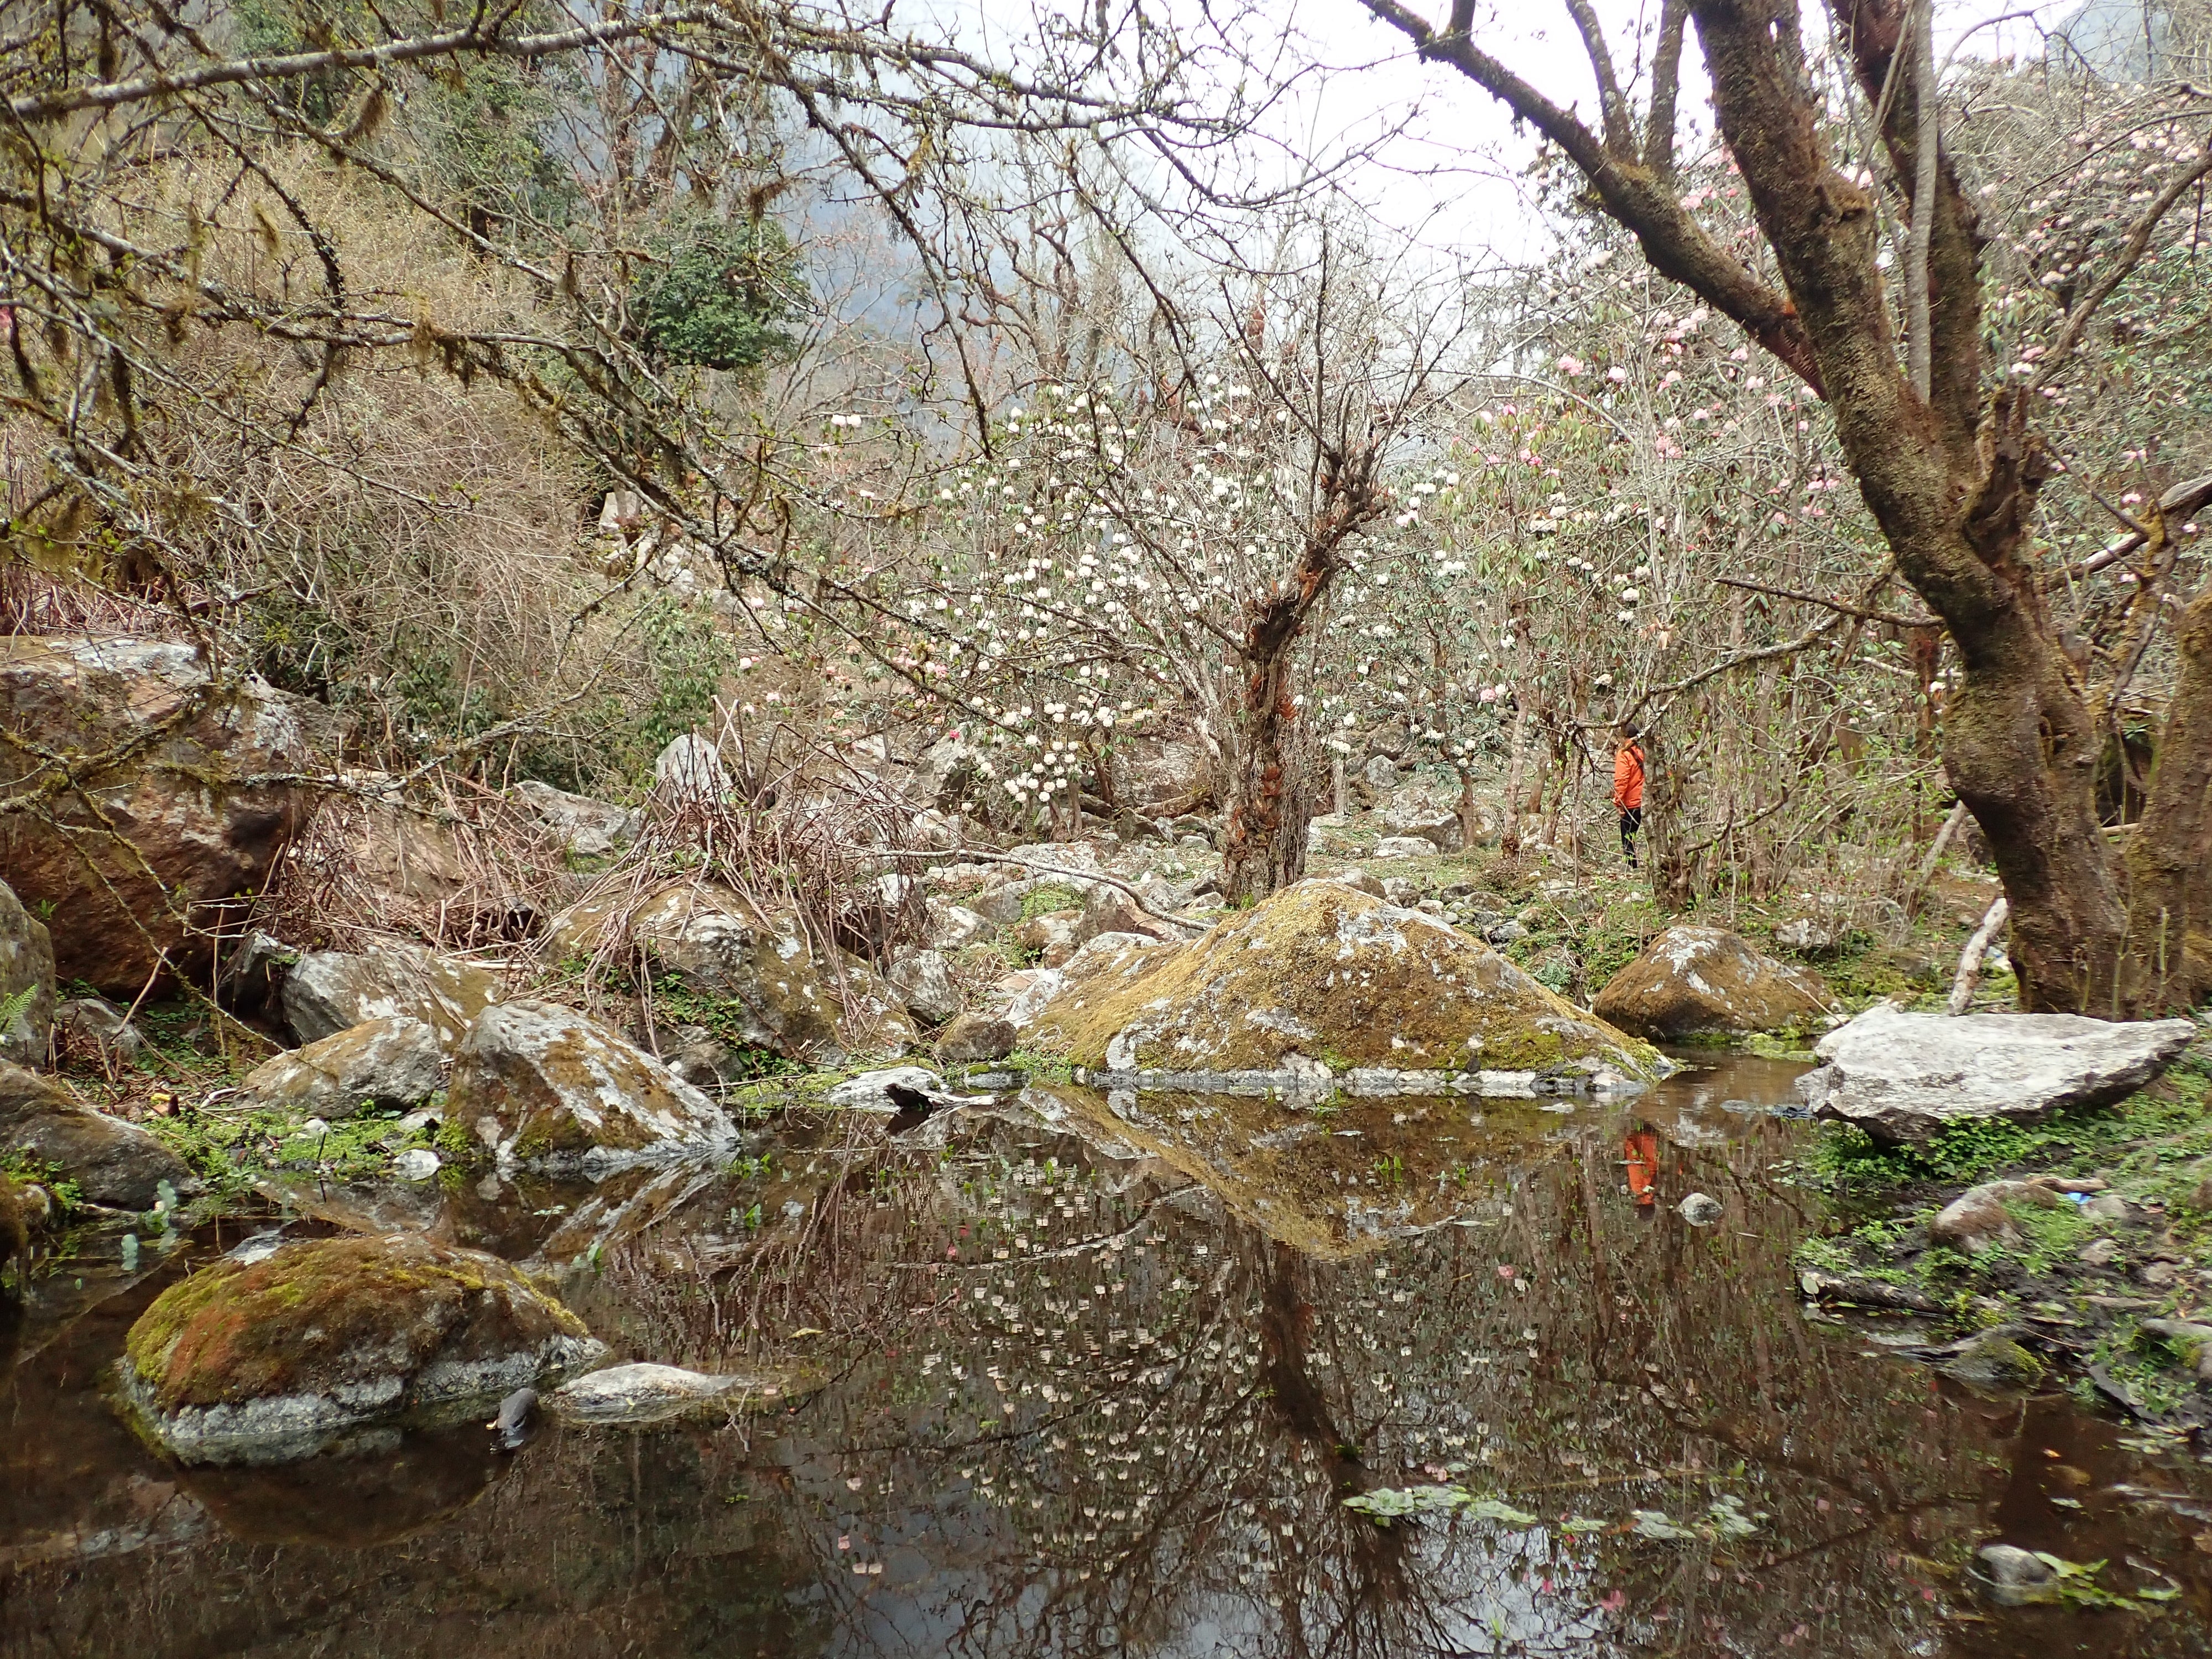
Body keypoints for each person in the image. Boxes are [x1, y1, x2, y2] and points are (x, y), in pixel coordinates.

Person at [1612, 732, 1646, 868]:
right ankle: (1634, 867)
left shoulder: (1624, 754)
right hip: (1644, 801)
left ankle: (1631, 868)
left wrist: (1618, 802)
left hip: (1630, 803)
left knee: (1627, 838)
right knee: (1632, 835)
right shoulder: (1643, 751)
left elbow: (1622, 780)